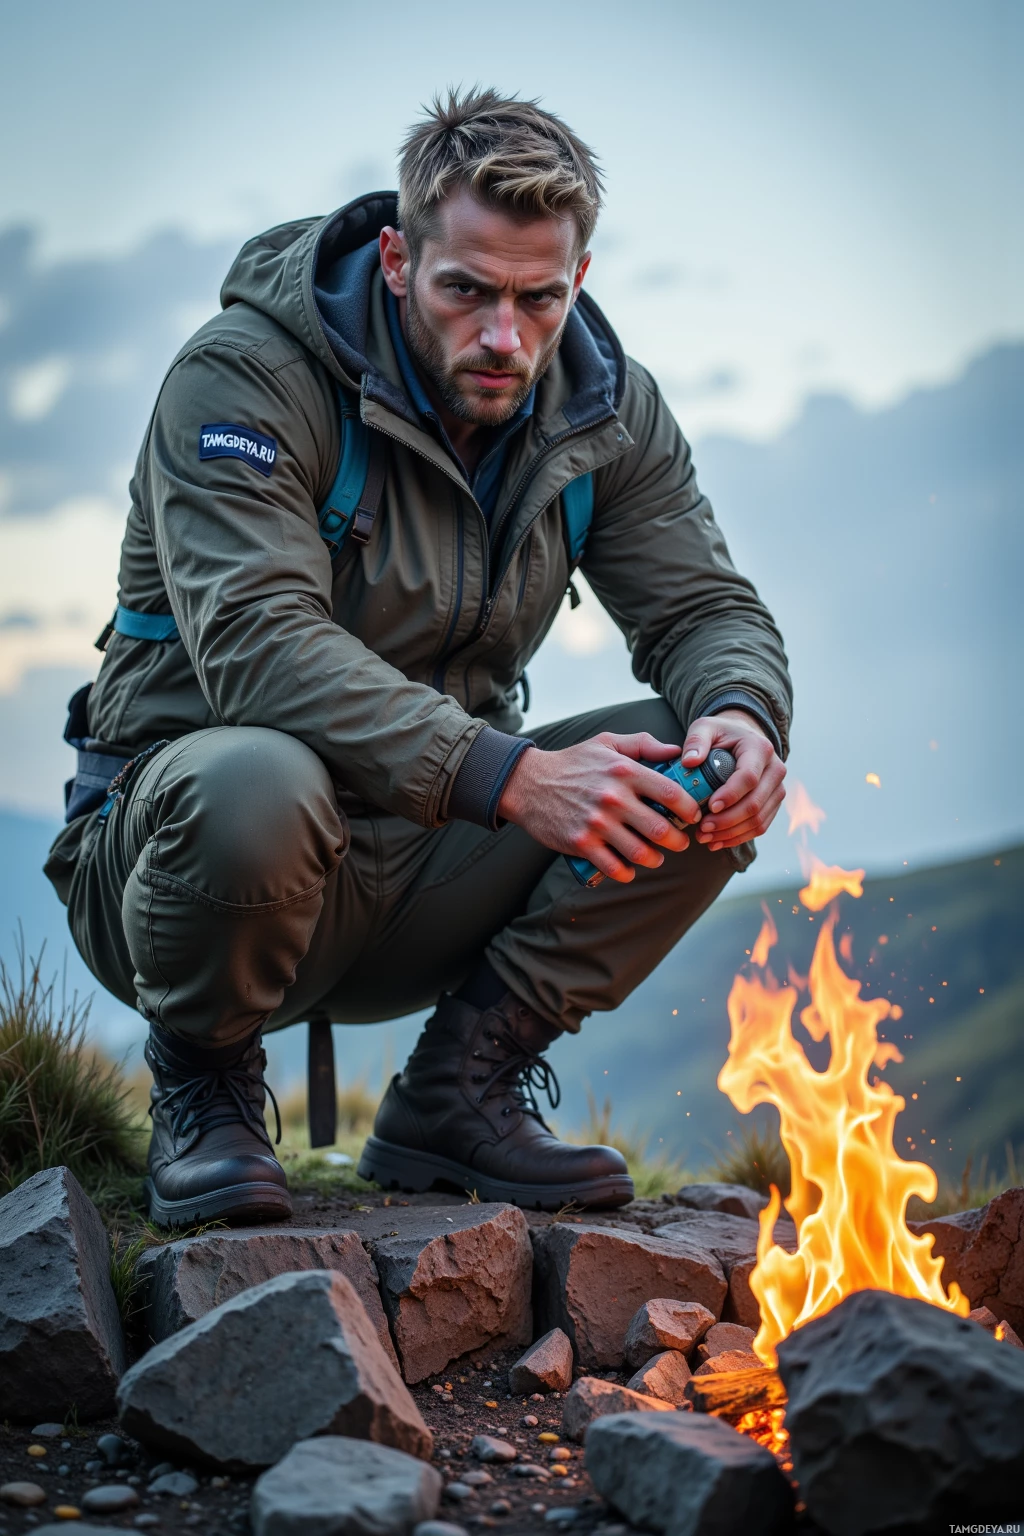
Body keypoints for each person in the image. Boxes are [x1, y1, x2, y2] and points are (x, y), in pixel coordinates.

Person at [45, 89, 791, 1228]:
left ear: (576, 282)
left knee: (694, 775)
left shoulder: (603, 412)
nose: (504, 337)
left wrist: (741, 712)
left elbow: (701, 609)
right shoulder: (245, 379)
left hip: (424, 867)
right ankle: (204, 1088)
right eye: (467, 291)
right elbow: (257, 644)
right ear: (397, 260)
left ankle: (461, 1093)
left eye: (538, 299)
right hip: (183, 870)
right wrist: (516, 780)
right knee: (257, 782)